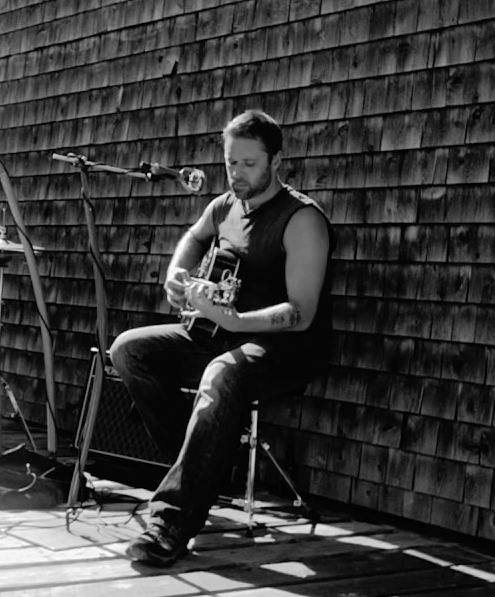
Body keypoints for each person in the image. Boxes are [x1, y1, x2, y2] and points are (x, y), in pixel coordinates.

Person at [110, 109, 334, 567]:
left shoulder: (302, 219)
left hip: (284, 349)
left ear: (276, 160)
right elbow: (193, 239)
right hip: (217, 335)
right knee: (129, 351)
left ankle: (170, 524)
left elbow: (301, 313)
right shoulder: (223, 205)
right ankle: (202, 473)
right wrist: (176, 274)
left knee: (221, 375)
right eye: (231, 162)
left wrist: (235, 321)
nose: (237, 173)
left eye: (249, 163)